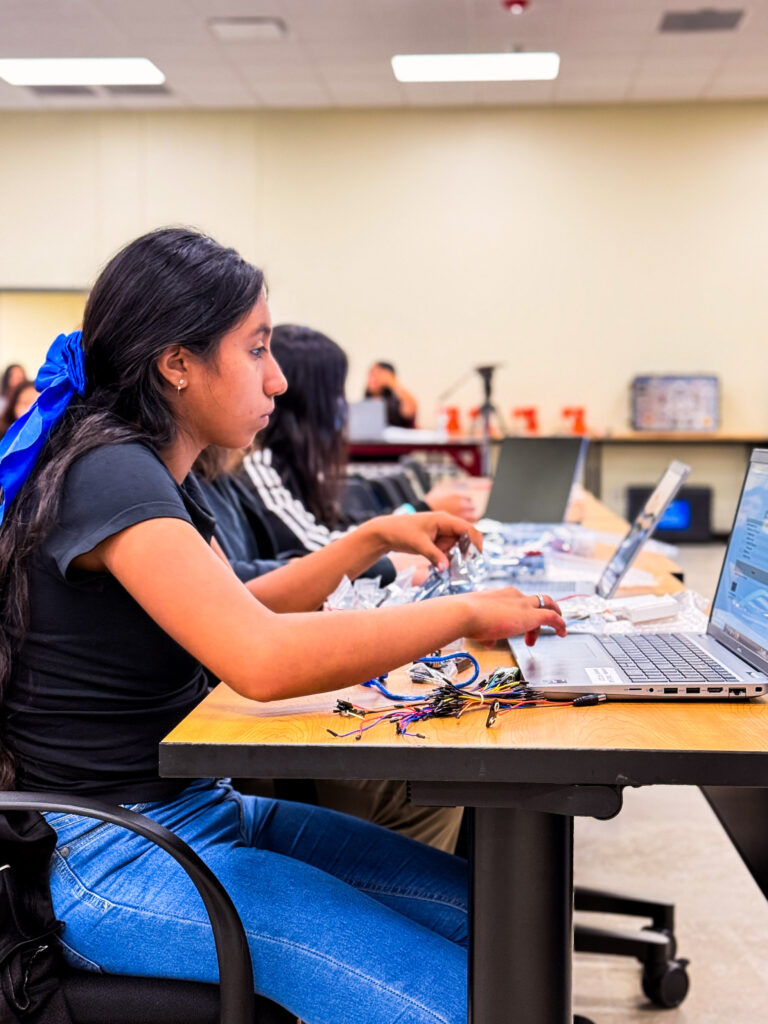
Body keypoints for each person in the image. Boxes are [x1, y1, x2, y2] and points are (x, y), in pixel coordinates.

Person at [0, 227, 565, 1024]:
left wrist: (366, 540)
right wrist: (464, 612)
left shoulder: (146, 469)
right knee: (466, 1003)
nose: (278, 379)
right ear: (177, 364)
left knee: (509, 935)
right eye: (257, 349)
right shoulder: (110, 473)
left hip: (200, 814)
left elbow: (238, 602)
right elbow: (259, 657)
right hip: (113, 856)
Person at [242, 324, 476, 565]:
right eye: (336, 392)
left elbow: (337, 523)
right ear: (308, 398)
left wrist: (414, 517)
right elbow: (317, 548)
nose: (342, 403)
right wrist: (417, 512)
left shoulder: (299, 461)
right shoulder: (259, 464)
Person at [365, 359, 418, 428]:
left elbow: (411, 409)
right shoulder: (365, 402)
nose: (372, 378)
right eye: (371, 373)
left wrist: (392, 383)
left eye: (378, 374)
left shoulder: (396, 402)